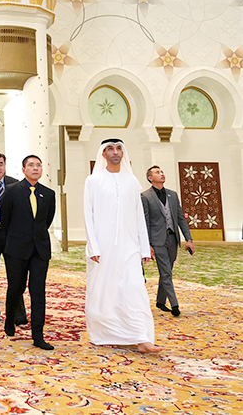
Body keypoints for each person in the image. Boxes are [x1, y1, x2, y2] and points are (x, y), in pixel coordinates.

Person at [84, 139, 163, 353]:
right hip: (103, 248)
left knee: (134, 290)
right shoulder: (93, 181)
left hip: (129, 247)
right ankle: (108, 334)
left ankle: (142, 338)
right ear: (103, 154)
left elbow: (138, 217)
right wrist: (94, 247)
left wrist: (144, 248)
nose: (115, 152)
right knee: (105, 293)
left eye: (118, 148)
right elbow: (88, 216)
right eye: (110, 149)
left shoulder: (131, 181)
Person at [0, 155, 56, 350]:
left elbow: (46, 221)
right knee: (16, 287)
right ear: (23, 169)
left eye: (38, 165)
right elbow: (4, 220)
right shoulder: (12, 191)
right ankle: (9, 320)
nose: (35, 168)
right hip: (16, 248)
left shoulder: (48, 194)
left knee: (38, 291)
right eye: (31, 165)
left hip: (39, 249)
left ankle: (38, 335)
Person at [141, 165, 195, 317]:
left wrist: (188, 239)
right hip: (157, 241)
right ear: (150, 178)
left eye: (162, 172)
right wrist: (147, 244)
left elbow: (180, 219)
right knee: (165, 272)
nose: (162, 174)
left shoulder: (173, 195)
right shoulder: (145, 196)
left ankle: (160, 300)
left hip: (173, 239)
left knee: (167, 271)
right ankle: (175, 304)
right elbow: (144, 222)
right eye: (157, 172)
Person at [0, 152, 27, 324]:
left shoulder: (14, 184)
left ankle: (18, 314)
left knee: (15, 274)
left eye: (1, 163)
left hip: (9, 234)